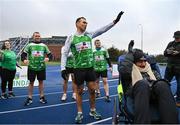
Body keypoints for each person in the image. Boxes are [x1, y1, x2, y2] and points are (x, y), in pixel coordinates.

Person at [61, 11, 124, 124]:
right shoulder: (71, 37)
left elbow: (102, 30)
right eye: (83, 22)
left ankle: (93, 110)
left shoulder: (89, 34)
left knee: (92, 90)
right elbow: (64, 53)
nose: (86, 24)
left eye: (87, 23)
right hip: (78, 69)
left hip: (90, 68)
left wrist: (114, 22)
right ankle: (80, 113)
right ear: (77, 24)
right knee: (79, 91)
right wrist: (63, 68)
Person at [118, 41, 178, 124]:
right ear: (134, 62)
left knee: (162, 84)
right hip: (137, 92)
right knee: (142, 83)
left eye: (144, 61)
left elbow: (158, 81)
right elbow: (124, 71)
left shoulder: (151, 70)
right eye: (140, 61)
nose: (143, 64)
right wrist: (130, 54)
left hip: (153, 92)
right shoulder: (130, 71)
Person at [21, 32, 52, 106]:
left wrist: (48, 58)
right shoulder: (29, 45)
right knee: (31, 83)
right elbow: (23, 54)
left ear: (40, 37)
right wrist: (24, 60)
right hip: (32, 67)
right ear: (33, 37)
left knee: (41, 82)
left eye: (38, 36)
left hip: (41, 67)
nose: (37, 37)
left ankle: (42, 97)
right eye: (36, 36)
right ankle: (30, 98)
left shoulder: (44, 45)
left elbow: (50, 54)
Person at [164, 31, 180, 106]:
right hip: (169, 67)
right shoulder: (170, 43)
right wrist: (167, 52)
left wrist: (178, 53)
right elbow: (164, 53)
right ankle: (163, 97)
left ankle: (178, 100)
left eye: (178, 38)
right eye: (175, 38)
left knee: (179, 85)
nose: (176, 39)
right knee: (164, 83)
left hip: (179, 68)